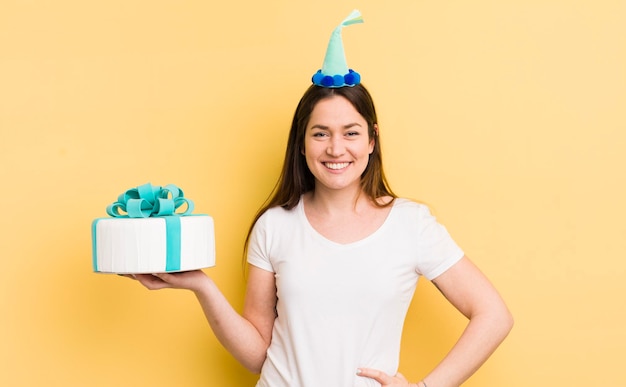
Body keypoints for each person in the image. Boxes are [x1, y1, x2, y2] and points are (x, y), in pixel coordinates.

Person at [127, 10, 513, 387]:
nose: (335, 149)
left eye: (350, 133)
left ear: (372, 140)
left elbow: (494, 315)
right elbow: (257, 356)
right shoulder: (275, 225)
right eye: (320, 133)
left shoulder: (412, 224)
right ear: (301, 142)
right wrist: (202, 286)